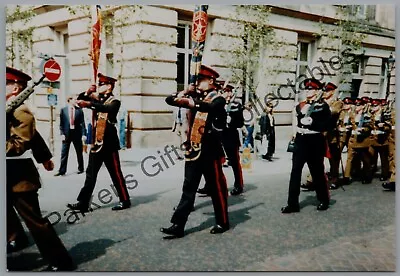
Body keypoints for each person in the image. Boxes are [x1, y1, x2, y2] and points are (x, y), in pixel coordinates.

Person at [6, 66, 75, 271]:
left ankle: (61, 261)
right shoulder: (7, 107)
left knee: (35, 222)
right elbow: (35, 138)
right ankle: (14, 238)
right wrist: (44, 156)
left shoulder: (21, 111)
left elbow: (21, 143)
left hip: (18, 175)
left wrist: (43, 157)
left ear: (16, 88)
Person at [160, 65, 229, 238]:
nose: (197, 83)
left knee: (216, 188)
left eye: (200, 80)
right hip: (194, 150)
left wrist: (190, 101)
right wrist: (184, 92)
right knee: (188, 188)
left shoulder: (218, 99)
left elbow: (209, 108)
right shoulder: (197, 96)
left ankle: (222, 221)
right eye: (196, 80)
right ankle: (178, 224)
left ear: (211, 81)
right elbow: (169, 100)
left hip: (211, 152)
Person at [67, 73, 131, 212]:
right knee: (90, 174)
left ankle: (125, 200)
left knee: (116, 173)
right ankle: (83, 203)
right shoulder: (98, 98)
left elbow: (106, 109)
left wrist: (89, 103)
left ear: (109, 86)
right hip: (97, 141)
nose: (99, 86)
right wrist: (88, 92)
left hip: (109, 143)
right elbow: (80, 100)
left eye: (102, 84)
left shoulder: (114, 101)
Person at [281, 78, 332, 213]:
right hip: (301, 140)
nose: (308, 91)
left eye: (311, 89)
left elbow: (327, 126)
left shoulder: (323, 106)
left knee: (317, 173)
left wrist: (312, 122)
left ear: (317, 91)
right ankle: (292, 204)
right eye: (306, 89)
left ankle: (323, 200)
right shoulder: (300, 105)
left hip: (315, 140)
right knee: (295, 173)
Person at [197, 81, 245, 196]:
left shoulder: (236, 105)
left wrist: (231, 121)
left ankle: (239, 185)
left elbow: (240, 122)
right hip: (217, 137)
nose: (227, 94)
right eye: (225, 91)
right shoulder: (217, 103)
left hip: (230, 137)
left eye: (229, 91)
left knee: (234, 162)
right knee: (214, 163)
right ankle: (210, 185)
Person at [55, 96, 86, 176]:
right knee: (64, 153)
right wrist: (61, 134)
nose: (76, 101)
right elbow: (61, 124)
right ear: (69, 100)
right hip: (66, 134)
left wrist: (83, 134)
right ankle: (62, 170)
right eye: (75, 99)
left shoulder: (79, 110)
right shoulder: (63, 110)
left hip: (76, 134)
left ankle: (81, 168)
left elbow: (82, 124)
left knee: (79, 152)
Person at [382, 100, 395, 191]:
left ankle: (393, 181)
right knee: (392, 159)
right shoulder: (393, 111)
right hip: (392, 139)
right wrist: (385, 126)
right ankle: (393, 181)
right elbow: (390, 125)